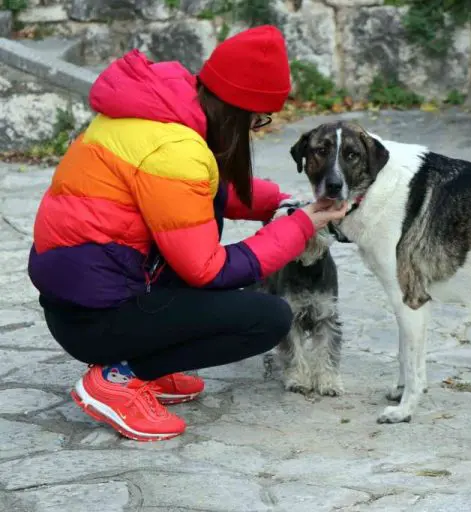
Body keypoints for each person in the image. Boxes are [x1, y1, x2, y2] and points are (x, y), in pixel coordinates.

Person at [27, 25, 347, 442]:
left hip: (79, 302)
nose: (255, 129)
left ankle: (148, 364)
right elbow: (207, 271)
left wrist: (279, 201)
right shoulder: (175, 148)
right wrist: (301, 224)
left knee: (215, 233)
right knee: (266, 317)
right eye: (257, 119)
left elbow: (202, 189)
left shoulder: (158, 112)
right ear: (237, 110)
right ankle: (120, 376)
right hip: (94, 320)